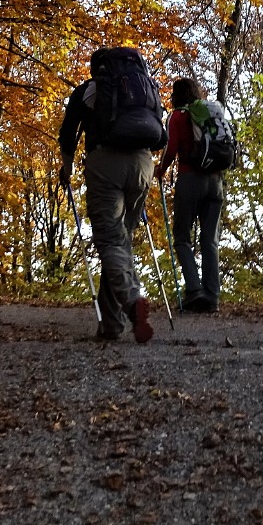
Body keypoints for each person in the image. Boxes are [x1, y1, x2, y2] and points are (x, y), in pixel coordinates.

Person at [58, 47, 166, 343]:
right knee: (121, 242)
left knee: (110, 241)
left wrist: (66, 168)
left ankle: (132, 302)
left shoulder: (90, 90)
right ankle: (111, 325)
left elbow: (69, 133)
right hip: (143, 164)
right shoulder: (145, 88)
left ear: (98, 67)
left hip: (106, 164)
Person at [154, 77, 225, 313]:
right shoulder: (208, 114)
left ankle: (194, 291)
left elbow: (171, 148)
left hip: (190, 180)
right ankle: (212, 296)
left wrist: (160, 170)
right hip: (216, 181)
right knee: (209, 239)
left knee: (182, 237)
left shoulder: (178, 116)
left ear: (176, 96)